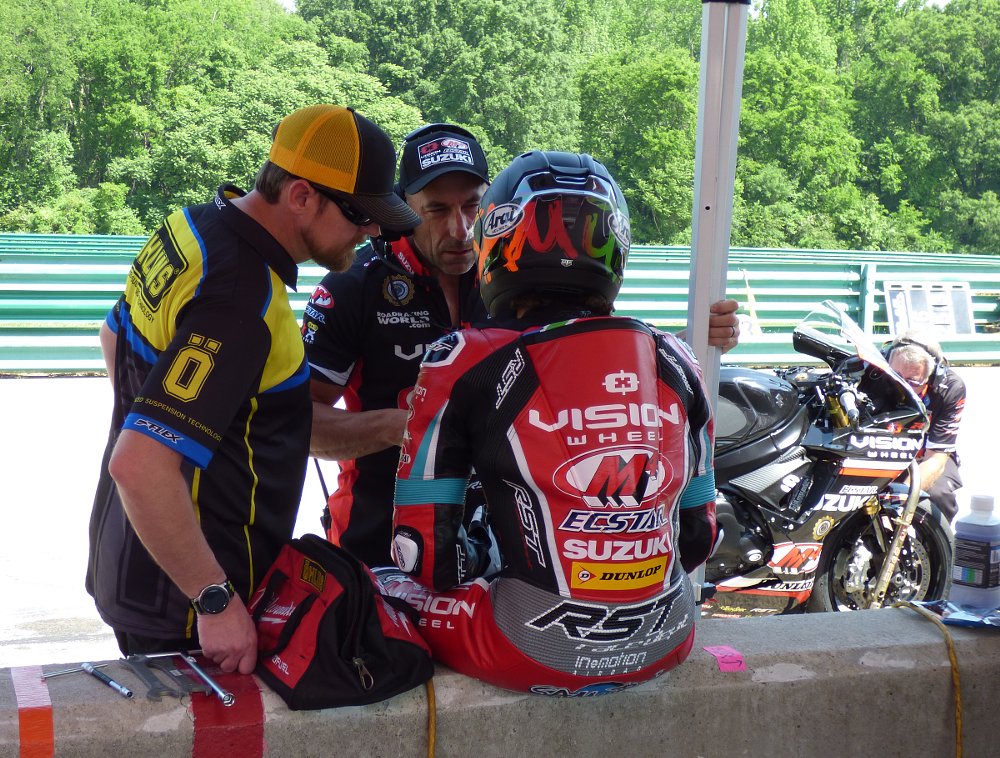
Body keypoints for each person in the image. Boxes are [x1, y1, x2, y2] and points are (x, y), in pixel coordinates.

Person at [304, 124, 740, 568]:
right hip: (376, 543)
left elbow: (599, 369)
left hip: (506, 549)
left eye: (473, 206)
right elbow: (301, 423)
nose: (460, 229)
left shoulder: (521, 269)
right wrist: (412, 428)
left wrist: (693, 341)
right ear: (403, 209)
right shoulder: (352, 286)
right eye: (436, 210)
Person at [87, 104, 419, 674]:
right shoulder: (241, 304)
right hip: (193, 612)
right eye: (360, 215)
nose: (371, 233)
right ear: (301, 196)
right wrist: (214, 600)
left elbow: (112, 338)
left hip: (135, 562)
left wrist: (392, 426)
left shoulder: (191, 228)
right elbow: (139, 465)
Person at [380, 151, 718, 695]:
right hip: (669, 638)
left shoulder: (461, 358)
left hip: (530, 647)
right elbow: (698, 539)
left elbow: (424, 558)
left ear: (500, 243)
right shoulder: (677, 357)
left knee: (381, 582)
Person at [886, 330, 966, 522]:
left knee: (939, 496)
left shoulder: (951, 388)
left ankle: (934, 548)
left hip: (926, 455)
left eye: (912, 381)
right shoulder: (872, 372)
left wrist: (901, 497)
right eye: (895, 376)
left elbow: (937, 458)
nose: (901, 387)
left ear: (932, 376)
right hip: (877, 451)